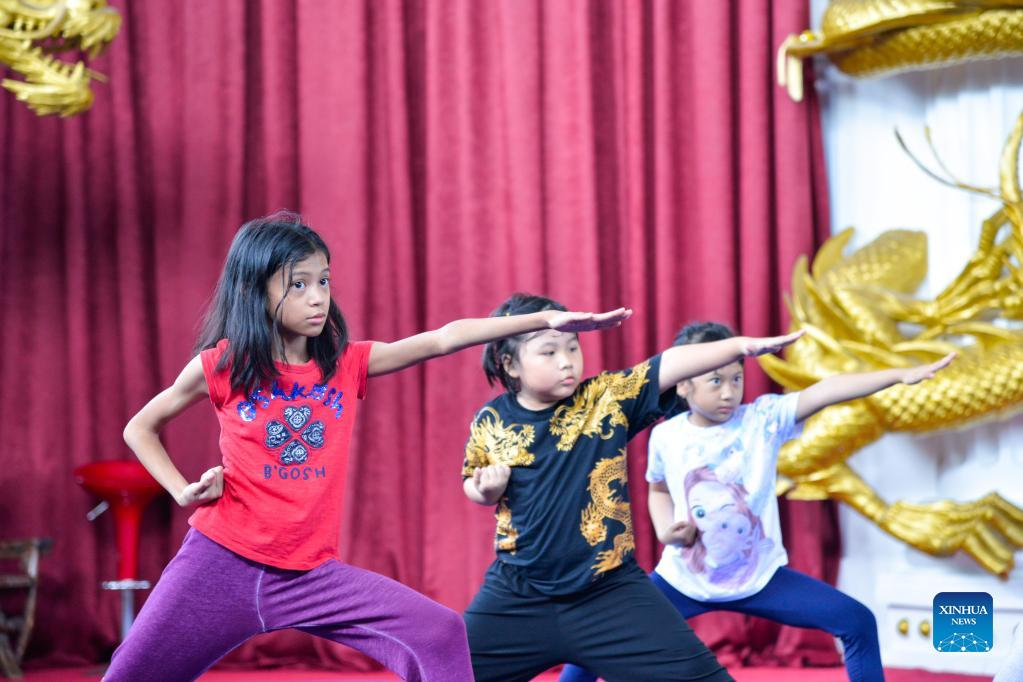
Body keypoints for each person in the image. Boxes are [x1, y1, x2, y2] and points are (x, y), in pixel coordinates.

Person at [105, 212, 631, 682]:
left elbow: (443, 338)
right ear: (254, 291)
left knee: (440, 632)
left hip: (310, 573)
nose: (318, 297)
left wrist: (542, 320)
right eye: (298, 285)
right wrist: (181, 490)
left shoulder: (345, 366)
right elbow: (140, 427)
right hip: (218, 564)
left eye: (323, 281)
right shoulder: (221, 367)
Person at [560, 321, 955, 682]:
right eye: (715, 381)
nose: (730, 392)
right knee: (593, 640)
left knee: (858, 622)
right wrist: (667, 530)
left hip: (760, 578)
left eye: (736, 378)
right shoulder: (667, 435)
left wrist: (898, 376)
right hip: (684, 580)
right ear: (682, 385)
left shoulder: (764, 419)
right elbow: (658, 489)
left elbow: (827, 391)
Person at [462, 294, 806, 682]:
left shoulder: (606, 397)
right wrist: (486, 491)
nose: (566, 361)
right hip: (517, 595)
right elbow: (472, 481)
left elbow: (668, 364)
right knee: (445, 672)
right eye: (549, 352)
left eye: (573, 348)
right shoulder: (490, 419)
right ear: (510, 364)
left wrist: (739, 346)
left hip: (610, 592)